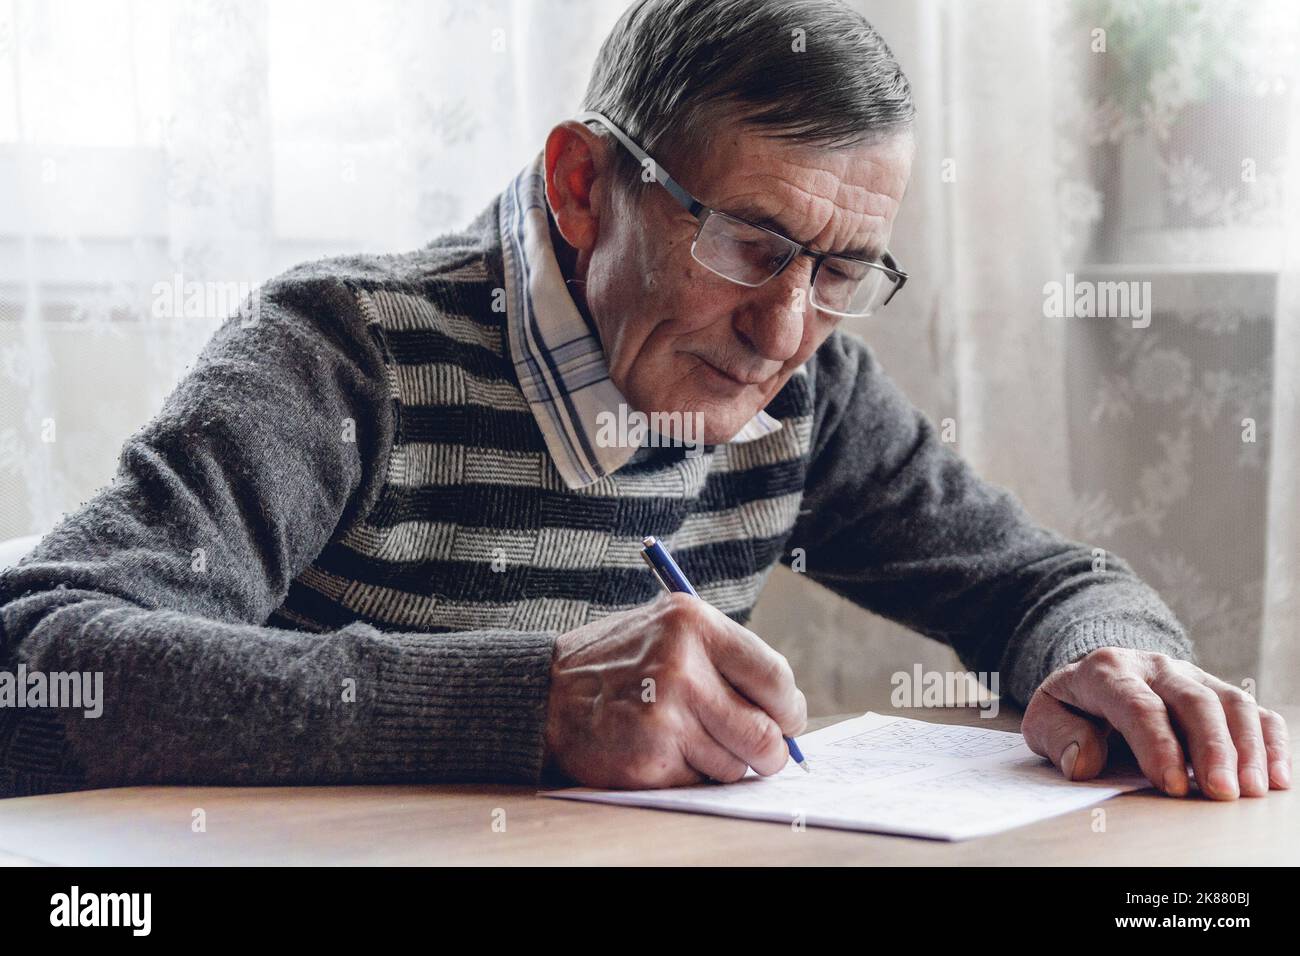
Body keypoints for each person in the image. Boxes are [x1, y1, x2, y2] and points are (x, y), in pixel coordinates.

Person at [0, 0, 1288, 800]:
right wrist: (530, 706)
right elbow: (37, 666)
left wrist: (1117, 660)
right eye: (746, 240)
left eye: (842, 269)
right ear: (579, 186)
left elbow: (1039, 583)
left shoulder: (809, 387)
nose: (785, 330)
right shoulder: (343, 352)